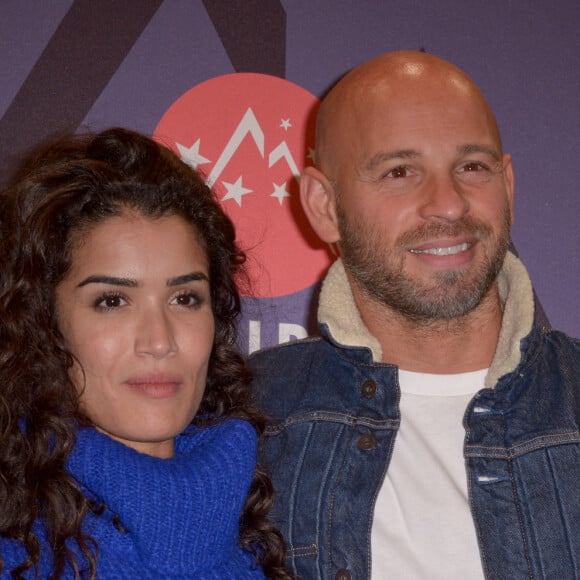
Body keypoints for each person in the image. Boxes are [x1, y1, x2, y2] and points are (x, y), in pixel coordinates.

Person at [249, 51, 580, 579]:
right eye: (399, 171)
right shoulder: (244, 422)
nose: (448, 204)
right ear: (324, 206)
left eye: (472, 167)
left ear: (508, 186)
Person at [0, 128, 293, 579]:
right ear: (44, 323)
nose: (159, 341)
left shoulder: (263, 531)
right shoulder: (16, 553)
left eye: (184, 299)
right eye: (112, 301)